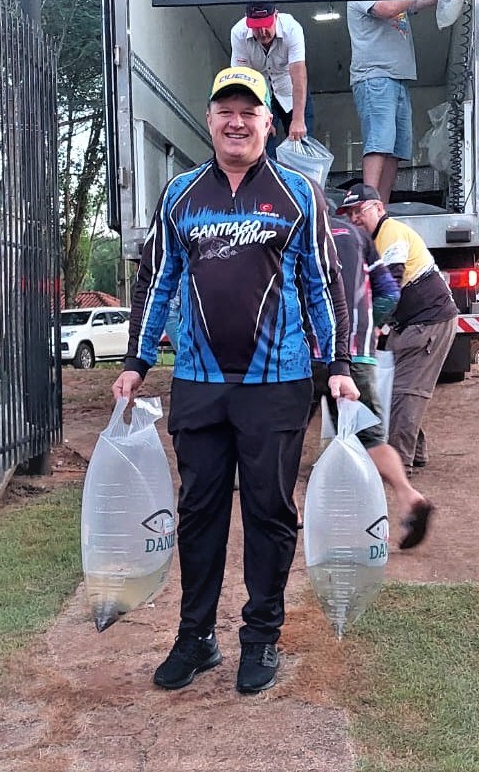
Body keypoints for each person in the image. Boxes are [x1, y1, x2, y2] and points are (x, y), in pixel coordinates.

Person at [112, 66, 358, 697]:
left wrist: (337, 365)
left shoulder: (298, 194)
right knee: (199, 513)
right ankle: (195, 638)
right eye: (226, 110)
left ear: (268, 123)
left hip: (277, 382)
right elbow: (158, 282)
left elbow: (322, 286)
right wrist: (138, 360)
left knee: (269, 512)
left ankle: (261, 637)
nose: (237, 121)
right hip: (198, 381)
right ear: (210, 118)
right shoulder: (181, 195)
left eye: (249, 111)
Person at [308, 209, 434, 549]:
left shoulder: (298, 231)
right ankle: (409, 496)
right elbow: (390, 292)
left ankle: (290, 511)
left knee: (285, 434)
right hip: (356, 355)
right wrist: (369, 326)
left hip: (308, 353)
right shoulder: (360, 237)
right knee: (372, 438)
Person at [336, 183, 458, 475]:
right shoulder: (370, 241)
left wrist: (372, 327)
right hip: (408, 323)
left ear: (379, 207)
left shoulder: (391, 232)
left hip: (429, 319)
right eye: (349, 214)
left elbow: (390, 286)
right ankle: (415, 451)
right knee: (395, 391)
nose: (354, 218)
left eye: (359, 210)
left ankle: (398, 463)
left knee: (407, 391)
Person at [346, 0, 437, 207]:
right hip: (375, 76)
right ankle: (368, 206)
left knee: (395, 149)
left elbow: (416, 3)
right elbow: (388, 9)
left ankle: (381, 208)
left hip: (397, 76)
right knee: (379, 143)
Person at [231, 3, 313, 151]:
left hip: (290, 90)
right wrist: (261, 116)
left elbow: (299, 76)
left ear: (276, 15)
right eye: (256, 27)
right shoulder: (238, 33)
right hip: (258, 94)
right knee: (260, 145)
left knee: (301, 145)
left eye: (266, 25)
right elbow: (242, 80)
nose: (262, 32)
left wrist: (298, 120)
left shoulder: (292, 29)